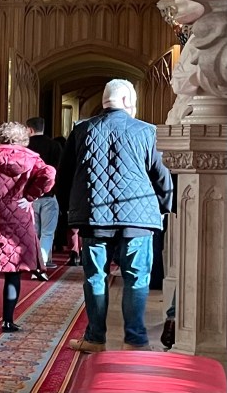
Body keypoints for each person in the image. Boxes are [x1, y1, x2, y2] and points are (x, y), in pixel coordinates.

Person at [56, 79, 172, 353]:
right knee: (137, 277)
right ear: (129, 102)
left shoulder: (82, 130)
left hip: (93, 217)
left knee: (95, 277)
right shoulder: (146, 131)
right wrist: (164, 206)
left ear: (105, 102)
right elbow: (160, 174)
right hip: (138, 218)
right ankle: (135, 339)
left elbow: (64, 175)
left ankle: (96, 338)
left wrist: (68, 211)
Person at [0, 121, 56, 333]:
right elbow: (50, 174)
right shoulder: (32, 158)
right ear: (22, 139)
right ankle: (8, 320)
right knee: (13, 271)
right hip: (20, 216)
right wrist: (30, 195)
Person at [26, 117, 62, 279]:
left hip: (30, 197)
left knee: (34, 232)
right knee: (47, 233)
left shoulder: (25, 147)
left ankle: (34, 263)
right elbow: (59, 172)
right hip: (49, 195)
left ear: (30, 130)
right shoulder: (55, 146)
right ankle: (41, 265)